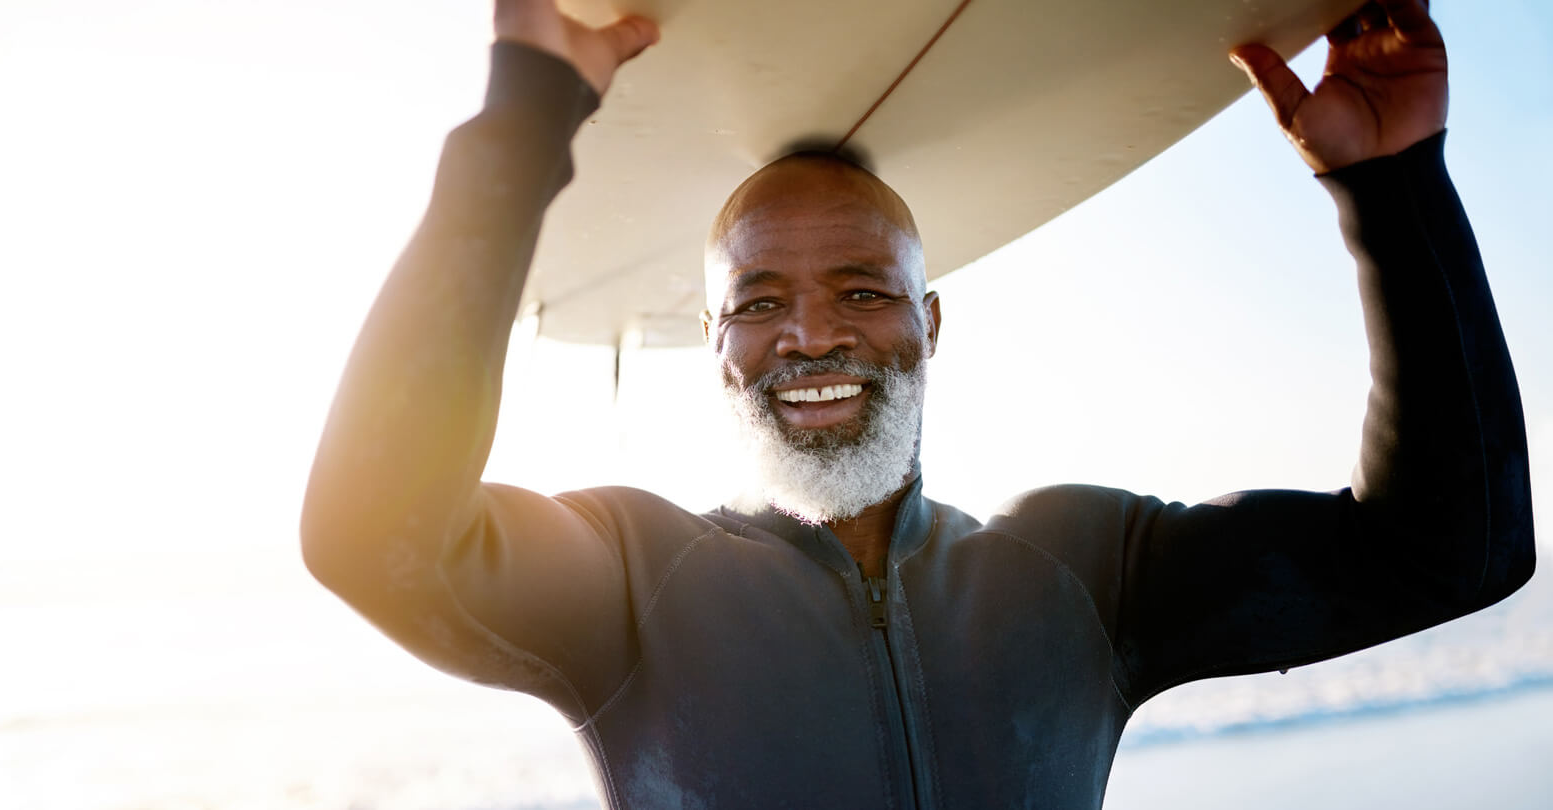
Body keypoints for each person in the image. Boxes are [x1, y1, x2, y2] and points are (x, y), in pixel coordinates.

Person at [301, 0, 1535, 806]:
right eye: (758, 302)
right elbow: (372, 532)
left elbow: (1452, 551)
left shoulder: (1084, 574)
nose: (812, 333)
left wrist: (1392, 191)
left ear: (930, 323)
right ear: (714, 345)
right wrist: (524, 122)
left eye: (860, 289)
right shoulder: (631, 581)